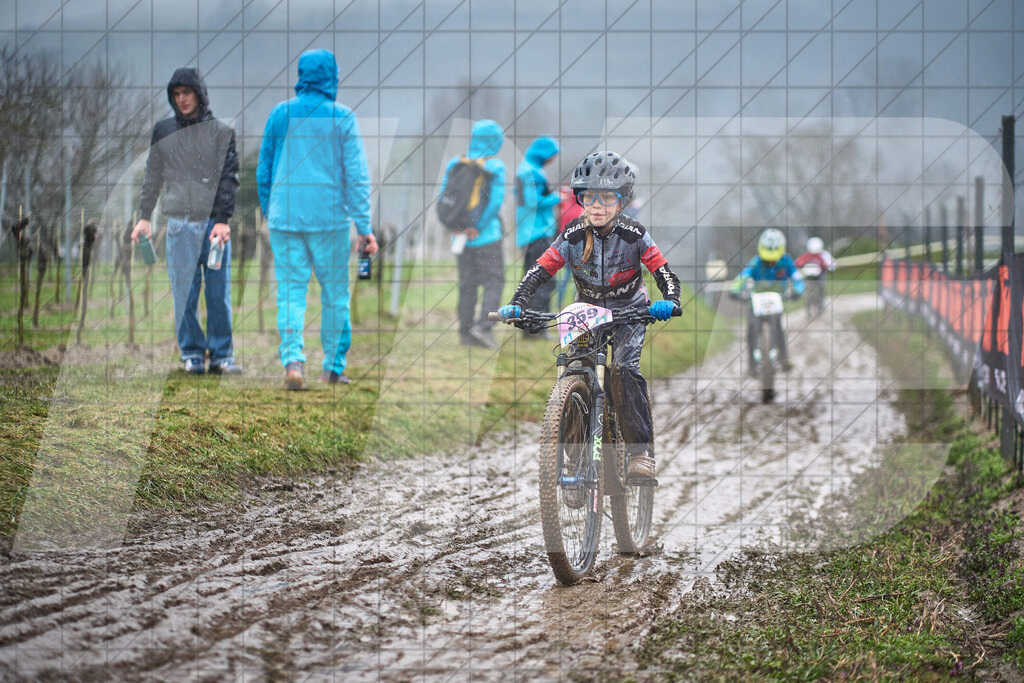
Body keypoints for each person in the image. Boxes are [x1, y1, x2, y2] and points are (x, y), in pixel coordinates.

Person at [497, 151, 681, 485]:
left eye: (607, 198)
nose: (597, 205)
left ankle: (639, 454)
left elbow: (663, 271)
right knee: (572, 369)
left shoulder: (634, 235)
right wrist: (517, 303)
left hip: (631, 310)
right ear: (580, 200)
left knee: (624, 371)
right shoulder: (571, 235)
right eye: (589, 197)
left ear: (622, 200)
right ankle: (574, 460)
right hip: (588, 311)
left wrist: (670, 300)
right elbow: (539, 270)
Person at [256, 49, 378, 391]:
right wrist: (364, 227)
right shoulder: (343, 118)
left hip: (285, 218)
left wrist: (271, 208)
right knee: (335, 296)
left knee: (291, 294)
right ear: (332, 77)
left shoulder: (280, 114)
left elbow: (263, 168)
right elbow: (355, 177)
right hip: (329, 220)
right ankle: (333, 368)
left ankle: (293, 361)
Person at [131, 67, 241, 375]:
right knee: (184, 293)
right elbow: (152, 176)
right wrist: (143, 217)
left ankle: (221, 355)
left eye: (187, 93)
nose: (181, 99)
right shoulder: (163, 131)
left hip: (213, 228)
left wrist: (222, 219)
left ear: (199, 94)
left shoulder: (221, 132)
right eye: (176, 94)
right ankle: (192, 353)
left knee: (218, 293)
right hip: (179, 225)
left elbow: (229, 179)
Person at [439, 119, 506, 350]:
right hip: (486, 237)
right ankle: (483, 328)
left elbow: (443, 199)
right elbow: (496, 201)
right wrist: (478, 226)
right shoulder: (495, 167)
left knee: (467, 284)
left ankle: (465, 333)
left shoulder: (455, 163)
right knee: (493, 281)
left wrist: (454, 227)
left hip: (459, 237)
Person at [730, 228, 805, 375]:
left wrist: (798, 290)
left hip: (777, 300)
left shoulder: (786, 261)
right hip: (756, 300)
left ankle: (784, 358)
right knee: (752, 330)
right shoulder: (756, 262)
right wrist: (735, 289)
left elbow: (797, 278)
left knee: (778, 328)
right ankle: (752, 364)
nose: (771, 261)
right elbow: (743, 276)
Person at [514, 136, 560, 336]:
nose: (552, 160)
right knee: (541, 280)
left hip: (532, 233)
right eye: (552, 156)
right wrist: (558, 197)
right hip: (536, 233)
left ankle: (531, 327)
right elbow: (533, 202)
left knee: (534, 280)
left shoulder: (529, 169)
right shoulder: (529, 172)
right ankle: (535, 328)